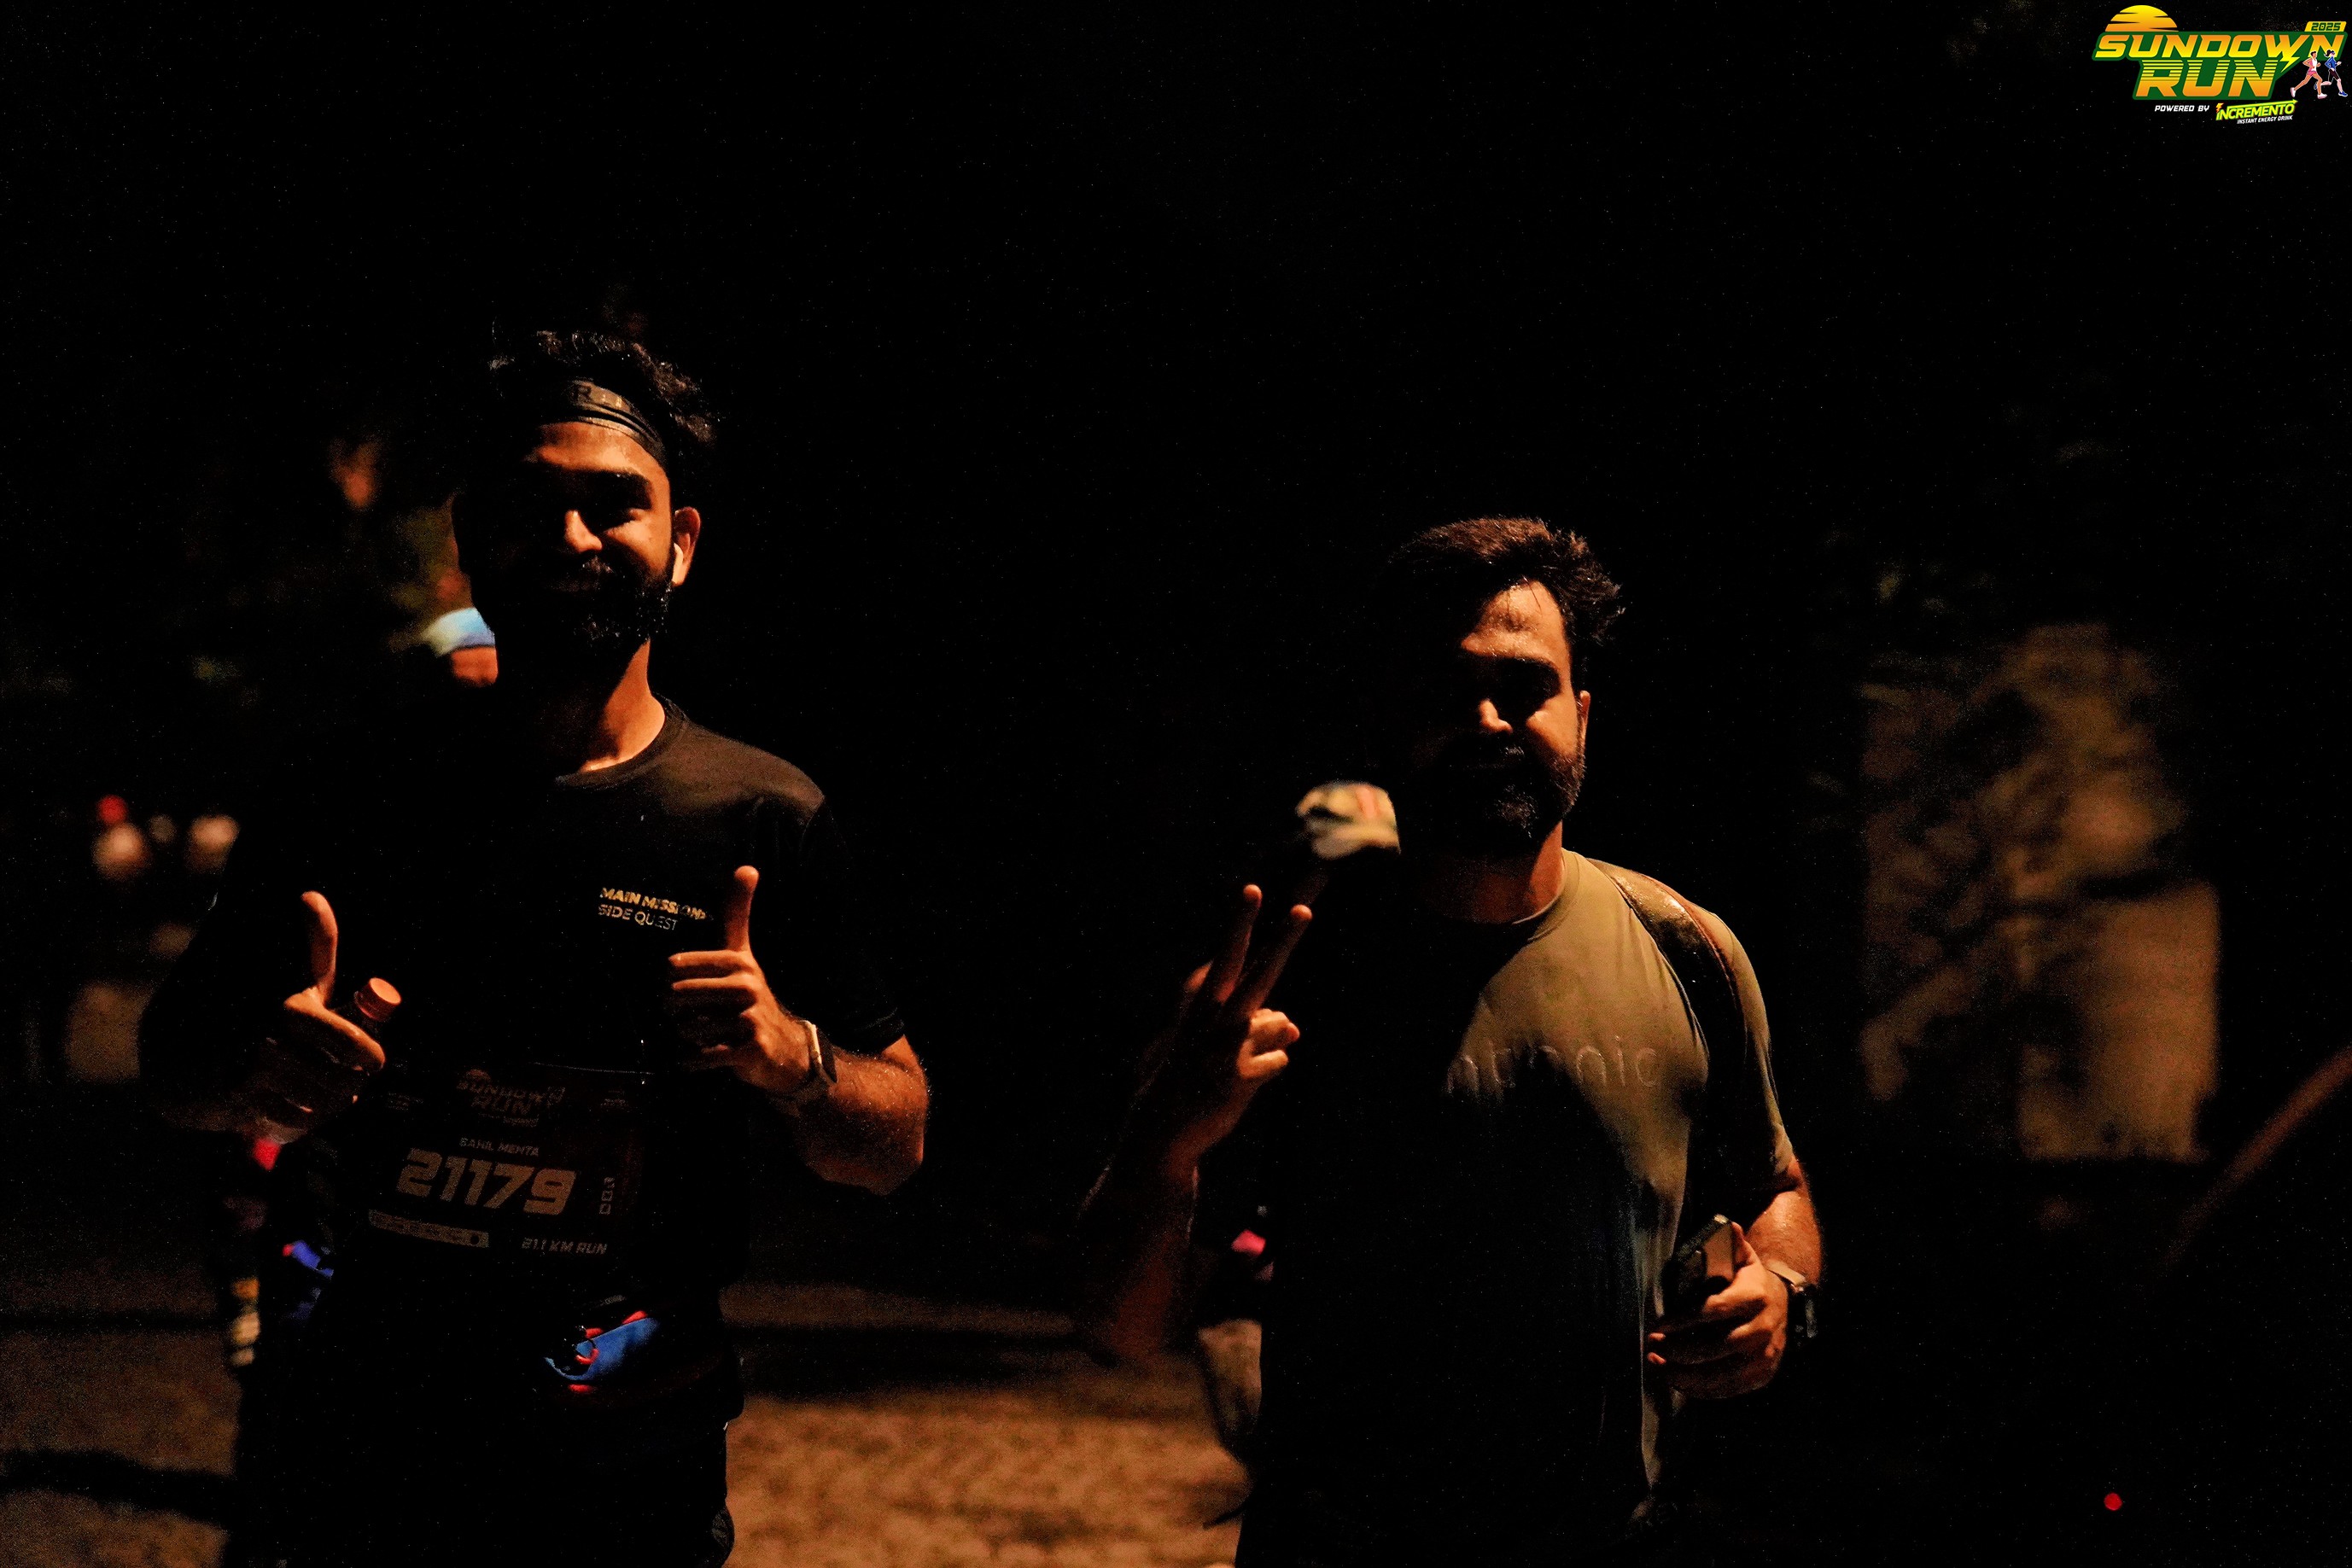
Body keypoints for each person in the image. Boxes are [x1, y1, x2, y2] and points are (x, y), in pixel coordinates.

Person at [142, 329, 928, 1567]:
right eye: (525, 505)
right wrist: (257, 1073)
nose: (570, 537)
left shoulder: (762, 817)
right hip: (364, 1448)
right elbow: (172, 1068)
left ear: (681, 541)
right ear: (468, 538)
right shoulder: (346, 791)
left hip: (634, 1464)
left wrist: (796, 1059)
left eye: (613, 503)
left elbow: (895, 1143)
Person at [1074, 517, 1822, 1565]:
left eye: (1524, 687)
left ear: (1581, 714)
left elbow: (1774, 1184)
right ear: (1383, 718)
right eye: (1442, 689)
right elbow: (1121, 1327)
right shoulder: (1285, 990)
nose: (1486, 719)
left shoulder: (1688, 950)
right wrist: (1166, 1137)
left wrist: (1780, 1290)